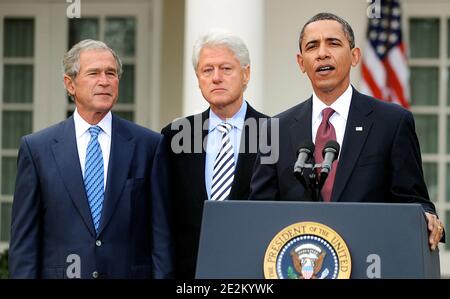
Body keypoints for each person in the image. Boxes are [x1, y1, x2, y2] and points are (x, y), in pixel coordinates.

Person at [249, 13, 444, 250]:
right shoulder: (275, 130)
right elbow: (258, 211)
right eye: (312, 46)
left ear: (355, 56)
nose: (322, 53)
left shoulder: (392, 122)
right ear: (301, 62)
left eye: (333, 43)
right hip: (298, 264)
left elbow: (414, 202)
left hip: (371, 260)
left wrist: (426, 217)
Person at [9, 39, 173, 278]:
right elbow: (24, 244)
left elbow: (161, 237)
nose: (104, 81)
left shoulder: (149, 145)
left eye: (111, 73)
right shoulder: (37, 150)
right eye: (94, 73)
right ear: (70, 84)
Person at [161, 30, 268, 278]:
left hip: (255, 271)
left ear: (246, 74)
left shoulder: (275, 133)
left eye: (226, 69)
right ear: (198, 79)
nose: (216, 78)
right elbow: (165, 214)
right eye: (207, 70)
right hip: (190, 273)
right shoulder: (174, 135)